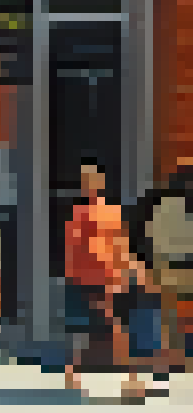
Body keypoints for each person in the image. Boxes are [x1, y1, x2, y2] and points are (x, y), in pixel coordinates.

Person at [64, 160, 150, 401]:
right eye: (85, 181)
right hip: (93, 279)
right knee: (112, 326)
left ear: (100, 183)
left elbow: (121, 245)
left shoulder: (112, 212)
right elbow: (76, 250)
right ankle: (130, 379)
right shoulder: (79, 216)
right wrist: (78, 278)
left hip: (110, 278)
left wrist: (135, 269)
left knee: (105, 327)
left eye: (92, 180)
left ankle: (75, 373)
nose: (89, 185)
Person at [128, 155, 193, 380]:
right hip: (170, 268)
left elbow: (139, 237)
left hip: (162, 269)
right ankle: (179, 361)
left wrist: (145, 267)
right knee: (171, 315)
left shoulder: (158, 201)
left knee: (170, 316)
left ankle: (177, 360)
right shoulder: (164, 203)